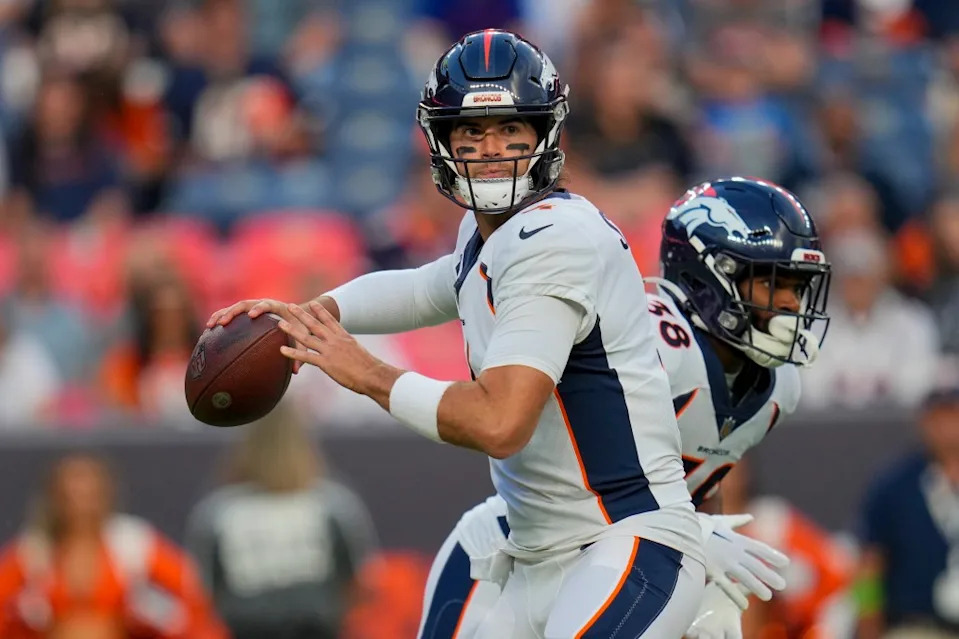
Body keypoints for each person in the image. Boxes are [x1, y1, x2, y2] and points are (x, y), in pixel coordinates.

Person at [209, 29, 705, 638]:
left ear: (544, 135)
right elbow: (426, 288)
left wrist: (364, 370)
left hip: (620, 540)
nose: (490, 148)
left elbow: (499, 422)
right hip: (530, 541)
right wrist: (308, 312)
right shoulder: (493, 231)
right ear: (442, 142)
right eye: (470, 132)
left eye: (510, 130)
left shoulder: (554, 241)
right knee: (474, 541)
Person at [416, 177, 833, 639]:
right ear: (709, 279)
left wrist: (699, 568)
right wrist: (694, 538)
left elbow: (699, 481)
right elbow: (583, 477)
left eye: (798, 287)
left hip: (618, 563)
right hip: (515, 552)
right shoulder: (656, 344)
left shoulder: (779, 388)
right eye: (773, 284)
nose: (792, 304)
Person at [186, 404, 377, 639]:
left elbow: (202, 590)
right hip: (319, 628)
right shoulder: (333, 503)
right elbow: (362, 580)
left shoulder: (219, 511)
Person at [0, 454, 227, 639]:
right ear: (53, 499)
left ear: (106, 495)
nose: (80, 507)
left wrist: (152, 616)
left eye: (90, 496)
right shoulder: (33, 552)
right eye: (69, 496)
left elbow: (192, 592)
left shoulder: (132, 544)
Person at [856, 379, 959, 638]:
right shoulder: (895, 485)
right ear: (923, 424)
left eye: (954, 417)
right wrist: (868, 621)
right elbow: (869, 562)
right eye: (939, 419)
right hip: (917, 625)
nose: (948, 429)